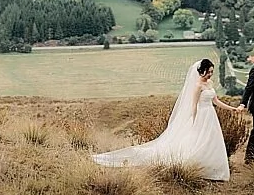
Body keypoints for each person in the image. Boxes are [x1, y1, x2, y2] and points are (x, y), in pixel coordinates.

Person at [91, 57, 233, 181]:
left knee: (211, 141)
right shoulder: (197, 86)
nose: (210, 75)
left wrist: (232, 108)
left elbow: (216, 101)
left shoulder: (210, 84)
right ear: (201, 71)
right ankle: (199, 167)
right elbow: (193, 105)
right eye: (208, 72)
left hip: (210, 116)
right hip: (201, 116)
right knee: (197, 141)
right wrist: (193, 121)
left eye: (211, 72)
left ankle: (212, 168)